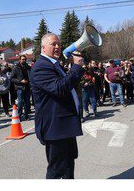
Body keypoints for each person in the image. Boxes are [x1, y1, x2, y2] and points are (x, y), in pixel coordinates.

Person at [30, 33, 85, 179]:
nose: (57, 47)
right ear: (43, 47)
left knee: (67, 167)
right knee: (56, 170)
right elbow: (59, 88)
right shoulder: (41, 67)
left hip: (64, 126)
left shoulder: (54, 65)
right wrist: (76, 67)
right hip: (56, 128)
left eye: (59, 44)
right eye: (53, 44)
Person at [11, 55, 31, 120]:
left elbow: (31, 76)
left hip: (27, 87)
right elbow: (12, 78)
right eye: (22, 59)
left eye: (25, 59)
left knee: (27, 102)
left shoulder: (28, 67)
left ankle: (26, 115)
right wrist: (20, 81)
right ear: (19, 60)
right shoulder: (16, 68)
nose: (24, 60)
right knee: (20, 102)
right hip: (20, 87)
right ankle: (19, 116)